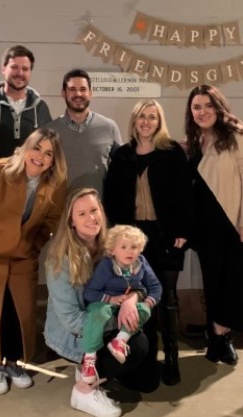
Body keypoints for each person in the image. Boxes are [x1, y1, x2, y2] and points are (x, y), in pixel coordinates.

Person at [0, 127, 68, 394]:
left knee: (20, 316)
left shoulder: (56, 184)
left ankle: (13, 363)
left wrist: (33, 246)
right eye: (37, 148)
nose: (40, 157)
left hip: (22, 261)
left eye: (48, 153)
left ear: (54, 160)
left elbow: (51, 224)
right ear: (25, 148)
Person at [45, 188, 160, 417]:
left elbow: (143, 280)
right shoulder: (60, 259)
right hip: (79, 333)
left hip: (108, 317)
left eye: (94, 210)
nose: (91, 218)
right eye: (82, 214)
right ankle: (84, 390)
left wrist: (133, 299)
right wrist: (121, 318)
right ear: (71, 222)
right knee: (138, 346)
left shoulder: (114, 244)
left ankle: (97, 368)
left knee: (147, 381)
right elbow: (72, 321)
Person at [103, 98, 191, 385]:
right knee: (139, 298)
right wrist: (116, 239)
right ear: (134, 121)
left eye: (152, 117)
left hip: (166, 236)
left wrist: (182, 229)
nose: (146, 122)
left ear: (159, 121)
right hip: (133, 239)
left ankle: (173, 359)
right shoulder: (122, 156)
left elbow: (183, 196)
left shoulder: (172, 153)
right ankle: (147, 359)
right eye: (142, 117)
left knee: (167, 299)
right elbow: (112, 200)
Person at [184, 84, 243, 366]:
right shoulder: (198, 138)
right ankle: (215, 336)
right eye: (196, 107)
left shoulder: (239, 137)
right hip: (211, 223)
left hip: (241, 220)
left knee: (237, 281)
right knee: (214, 280)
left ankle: (223, 337)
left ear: (219, 107)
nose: (202, 112)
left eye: (208, 106)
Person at [80, 225, 162, 384]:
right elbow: (89, 293)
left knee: (145, 310)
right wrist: (111, 299)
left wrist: (146, 302)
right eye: (123, 247)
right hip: (104, 303)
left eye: (134, 247)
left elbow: (156, 287)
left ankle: (120, 340)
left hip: (128, 305)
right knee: (98, 315)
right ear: (112, 250)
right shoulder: (106, 266)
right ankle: (89, 359)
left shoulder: (141, 263)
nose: (129, 251)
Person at [46, 69, 122, 196]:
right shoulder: (49, 131)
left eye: (83, 89)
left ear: (90, 93)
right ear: (63, 93)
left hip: (100, 210)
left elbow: (122, 169)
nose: (78, 94)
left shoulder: (109, 127)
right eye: (72, 89)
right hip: (62, 211)